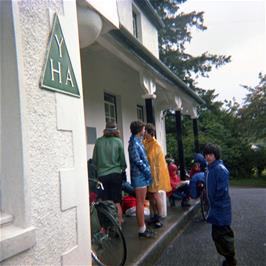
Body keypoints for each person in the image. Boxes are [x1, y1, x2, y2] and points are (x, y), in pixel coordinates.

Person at [203, 144, 237, 266]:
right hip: (214, 208)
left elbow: (222, 191)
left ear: (216, 155)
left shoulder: (220, 169)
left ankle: (231, 260)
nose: (208, 157)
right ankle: (228, 258)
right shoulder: (209, 169)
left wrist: (215, 205)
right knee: (217, 235)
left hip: (220, 208)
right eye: (206, 154)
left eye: (211, 154)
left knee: (224, 235)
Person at [92, 121, 126, 225]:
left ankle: (106, 227)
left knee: (104, 201)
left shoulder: (98, 141)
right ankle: (119, 224)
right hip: (116, 174)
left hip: (102, 176)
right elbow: (122, 161)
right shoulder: (118, 141)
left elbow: (94, 160)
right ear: (116, 130)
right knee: (117, 201)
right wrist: (123, 169)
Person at [128, 121, 154, 238]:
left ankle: (143, 227)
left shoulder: (137, 141)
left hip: (141, 176)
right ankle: (142, 230)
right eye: (143, 129)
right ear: (139, 130)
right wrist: (147, 170)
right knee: (140, 203)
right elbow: (137, 161)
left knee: (141, 202)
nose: (145, 131)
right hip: (139, 176)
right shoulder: (134, 143)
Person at [143, 123, 171, 228]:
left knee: (155, 195)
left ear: (150, 133)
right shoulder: (145, 142)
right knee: (150, 196)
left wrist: (158, 178)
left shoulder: (156, 145)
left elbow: (159, 164)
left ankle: (159, 217)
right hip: (147, 174)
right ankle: (154, 215)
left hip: (154, 174)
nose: (144, 133)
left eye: (145, 132)